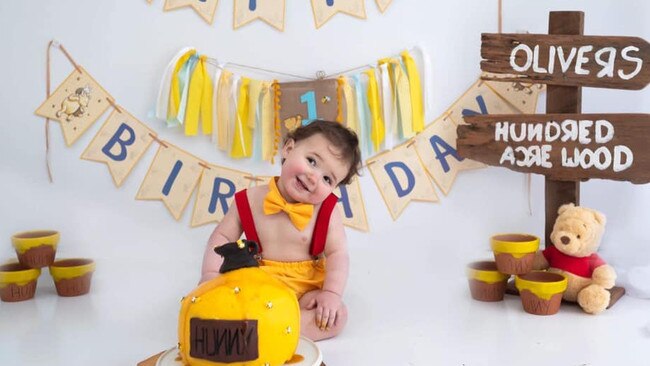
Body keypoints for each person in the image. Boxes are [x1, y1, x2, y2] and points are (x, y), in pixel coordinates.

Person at [200, 120, 361, 341]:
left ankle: (268, 331)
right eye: (312, 161)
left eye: (327, 179)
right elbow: (223, 236)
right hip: (257, 284)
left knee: (336, 316)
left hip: (306, 292)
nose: (314, 178)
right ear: (288, 148)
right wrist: (210, 275)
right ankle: (265, 327)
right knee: (230, 302)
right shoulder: (250, 200)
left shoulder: (327, 210)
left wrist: (331, 294)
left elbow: (337, 253)